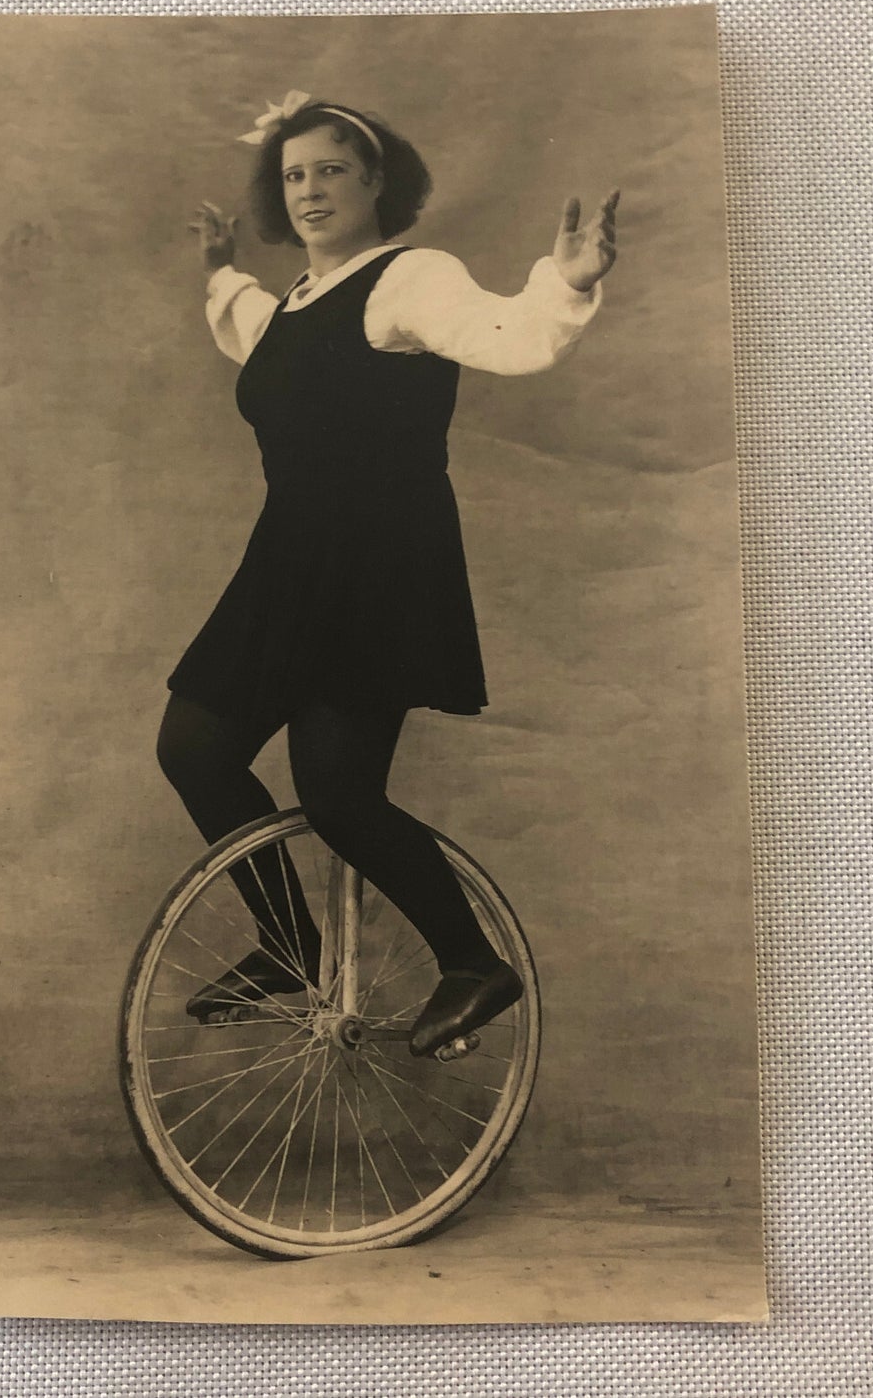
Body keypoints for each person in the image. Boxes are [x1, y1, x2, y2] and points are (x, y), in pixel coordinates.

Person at [156, 91, 619, 1058]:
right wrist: (219, 271)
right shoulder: (290, 302)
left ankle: (469, 961)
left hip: (376, 565)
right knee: (195, 746)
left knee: (335, 793)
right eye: (293, 175)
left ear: (376, 181)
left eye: (331, 168)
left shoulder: (410, 278)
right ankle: (288, 949)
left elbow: (508, 337)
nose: (311, 189)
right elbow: (255, 339)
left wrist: (565, 286)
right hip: (288, 561)